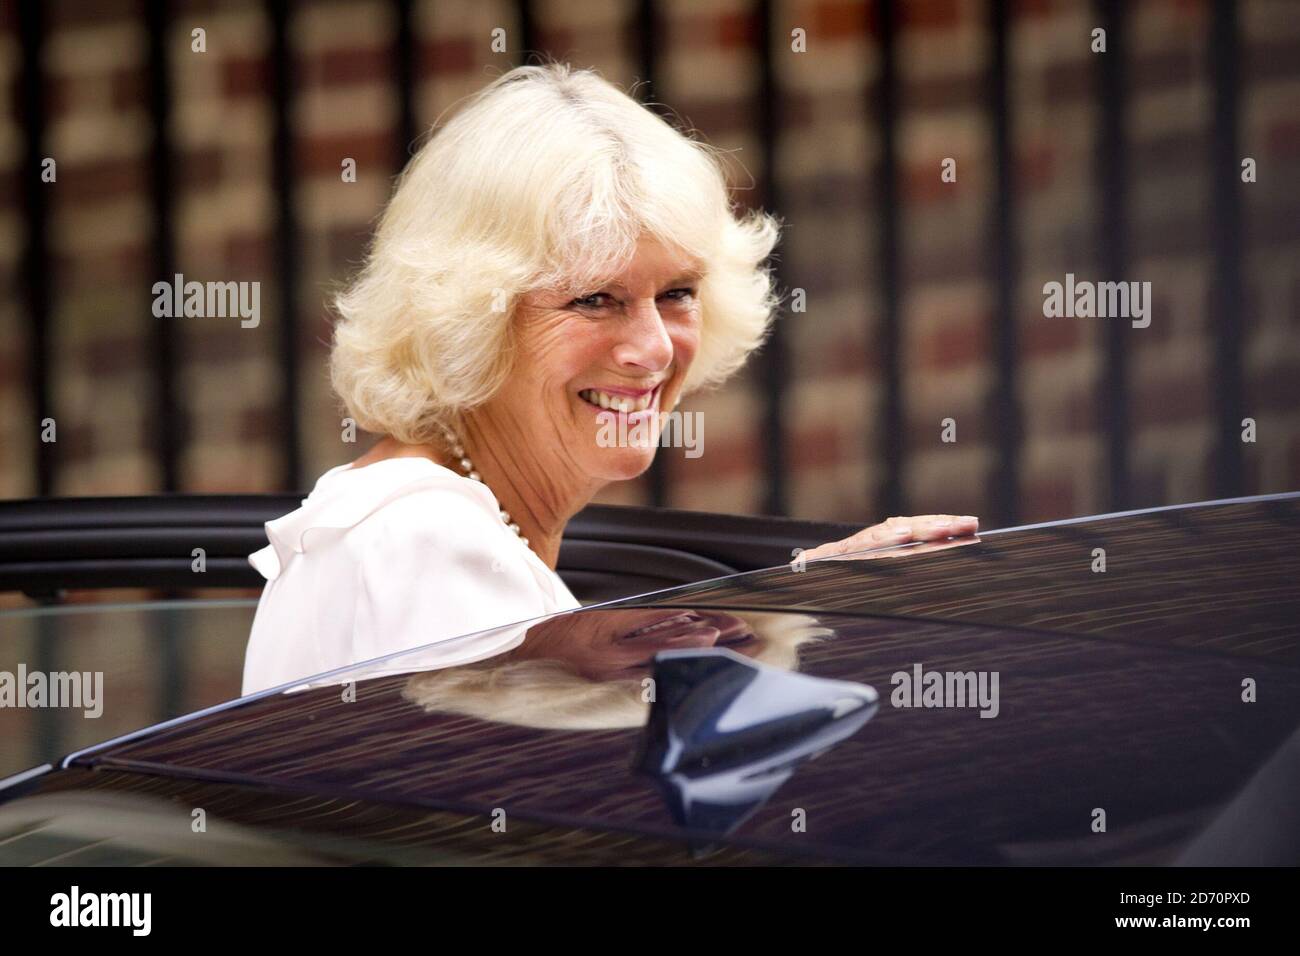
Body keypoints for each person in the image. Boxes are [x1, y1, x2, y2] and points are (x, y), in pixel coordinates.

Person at [241, 64, 977, 696]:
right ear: (470, 319)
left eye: (678, 293)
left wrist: (802, 608)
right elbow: (556, 825)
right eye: (595, 299)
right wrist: (809, 622)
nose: (653, 349)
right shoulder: (429, 543)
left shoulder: (434, 522)